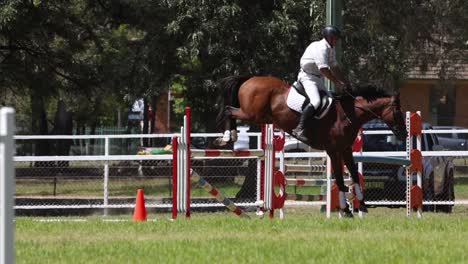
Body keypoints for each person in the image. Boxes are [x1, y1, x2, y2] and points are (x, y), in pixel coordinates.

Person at [292, 25, 349, 141]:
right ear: (327, 37)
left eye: (336, 38)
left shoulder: (330, 48)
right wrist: (337, 82)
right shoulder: (321, 47)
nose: (336, 41)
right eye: (334, 38)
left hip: (317, 78)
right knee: (316, 101)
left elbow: (334, 67)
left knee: (330, 100)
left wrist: (345, 81)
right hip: (307, 77)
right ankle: (299, 128)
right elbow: (323, 69)